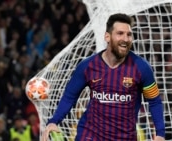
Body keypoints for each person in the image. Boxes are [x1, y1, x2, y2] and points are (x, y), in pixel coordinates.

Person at [42, 13, 165, 141]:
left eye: (129, 34)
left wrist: (160, 133)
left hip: (124, 137)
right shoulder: (87, 66)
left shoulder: (142, 68)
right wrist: (54, 121)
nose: (126, 38)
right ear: (107, 36)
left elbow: (154, 101)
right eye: (120, 33)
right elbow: (69, 96)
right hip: (90, 135)